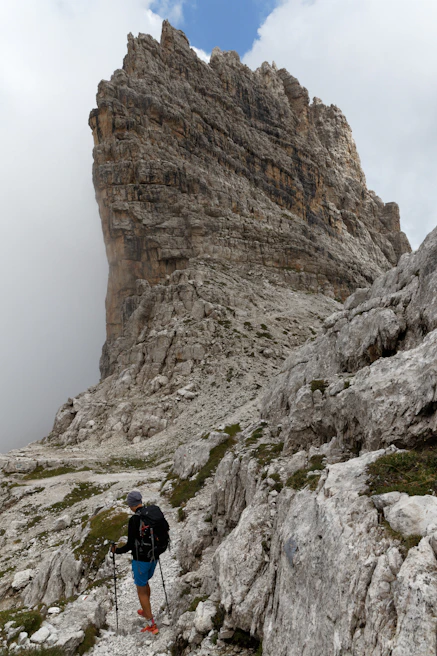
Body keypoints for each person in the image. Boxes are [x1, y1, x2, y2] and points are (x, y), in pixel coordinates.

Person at [111, 490, 161, 635]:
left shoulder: (134, 520)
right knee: (145, 583)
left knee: (141, 590)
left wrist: (116, 551)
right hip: (154, 557)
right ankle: (146, 611)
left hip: (140, 560)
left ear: (131, 504)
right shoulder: (152, 514)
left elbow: (130, 545)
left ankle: (151, 623)